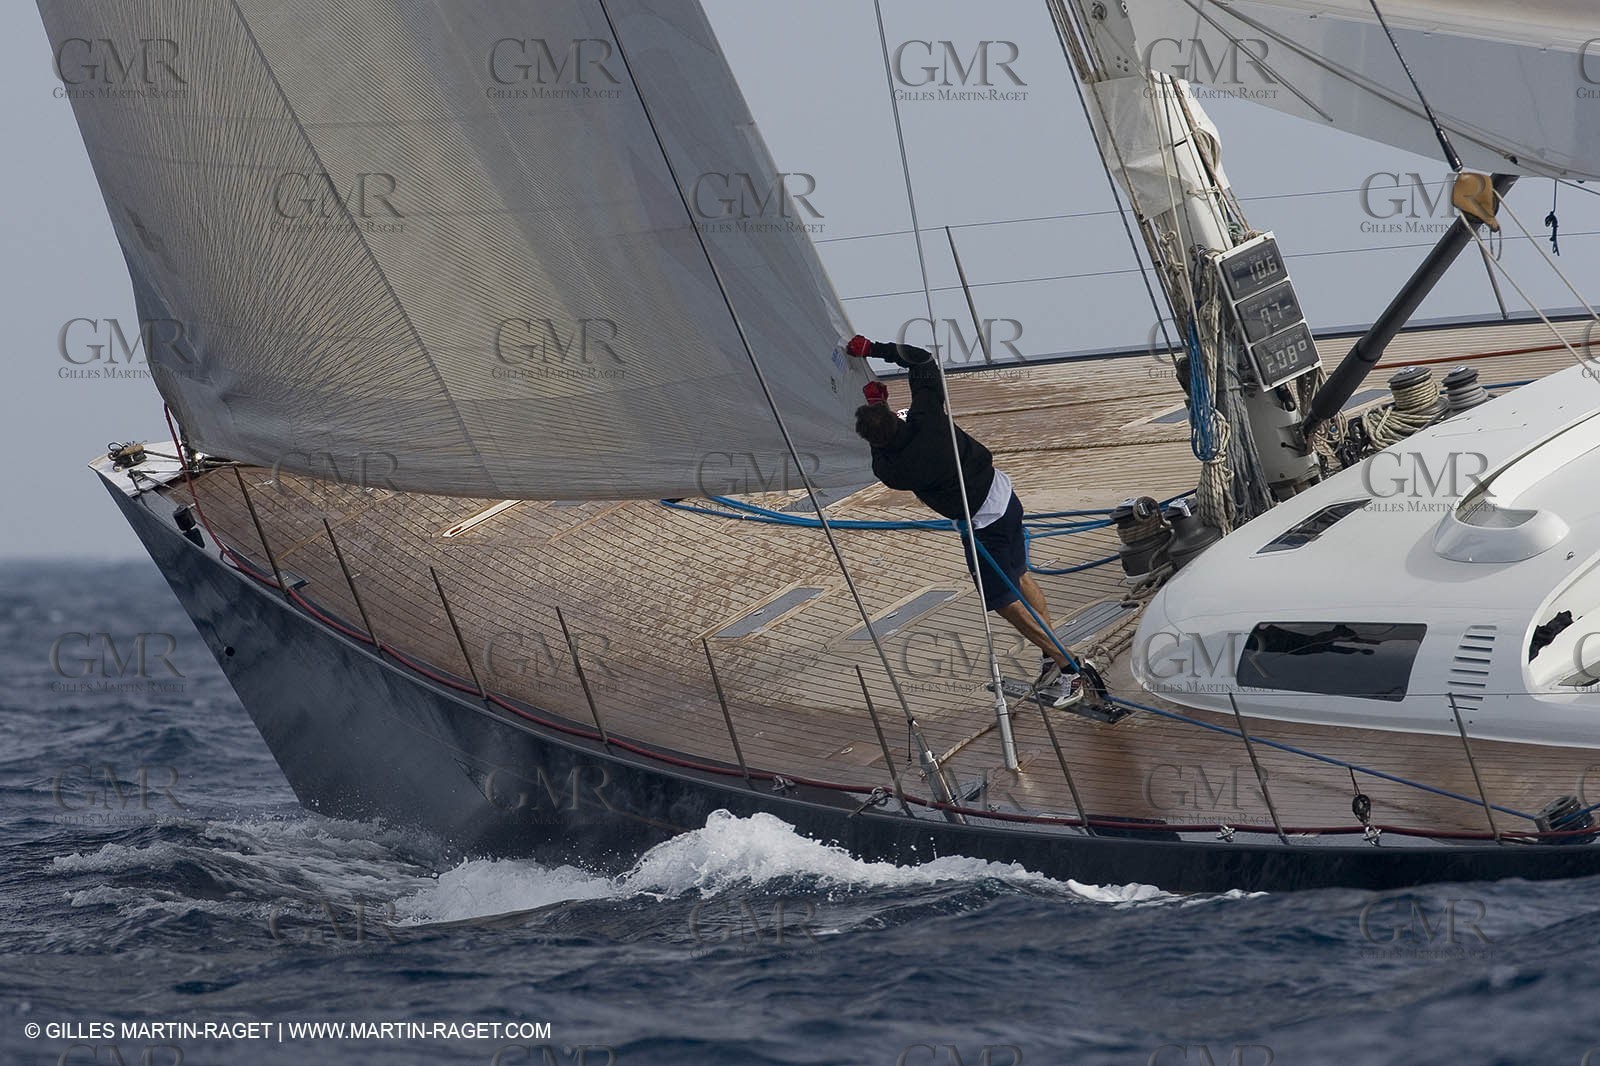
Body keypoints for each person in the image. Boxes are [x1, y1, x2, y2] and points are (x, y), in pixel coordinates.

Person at [846, 334, 1081, 707]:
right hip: (1004, 496)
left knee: (1003, 600)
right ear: (896, 417)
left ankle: (1069, 669)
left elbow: (880, 450)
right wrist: (874, 350)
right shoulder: (928, 418)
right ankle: (1052, 657)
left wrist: (876, 406)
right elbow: (922, 361)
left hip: (984, 526)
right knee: (1019, 576)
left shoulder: (893, 470)